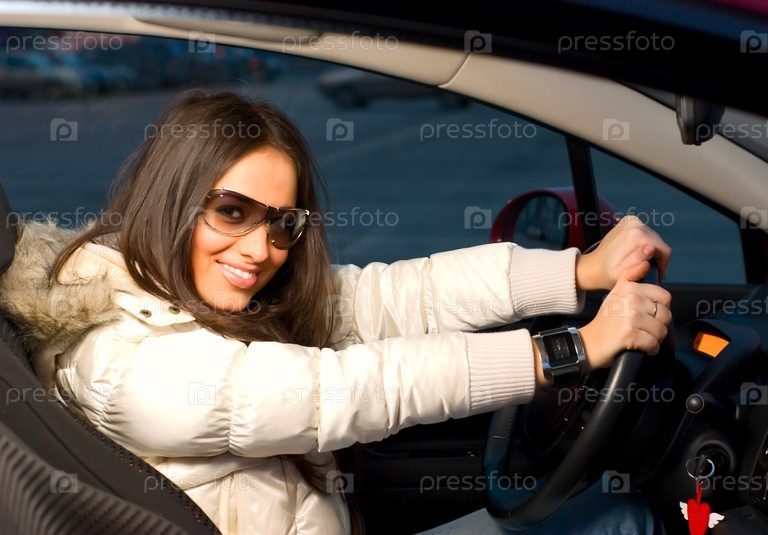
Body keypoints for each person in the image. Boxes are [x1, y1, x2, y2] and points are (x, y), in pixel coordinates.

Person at [0, 89, 672, 535]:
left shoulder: (173, 296)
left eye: (282, 223)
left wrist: (579, 272)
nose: (260, 249)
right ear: (169, 200)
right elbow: (350, 389)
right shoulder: (130, 363)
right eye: (230, 211)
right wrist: (572, 350)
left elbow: (401, 294)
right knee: (624, 520)